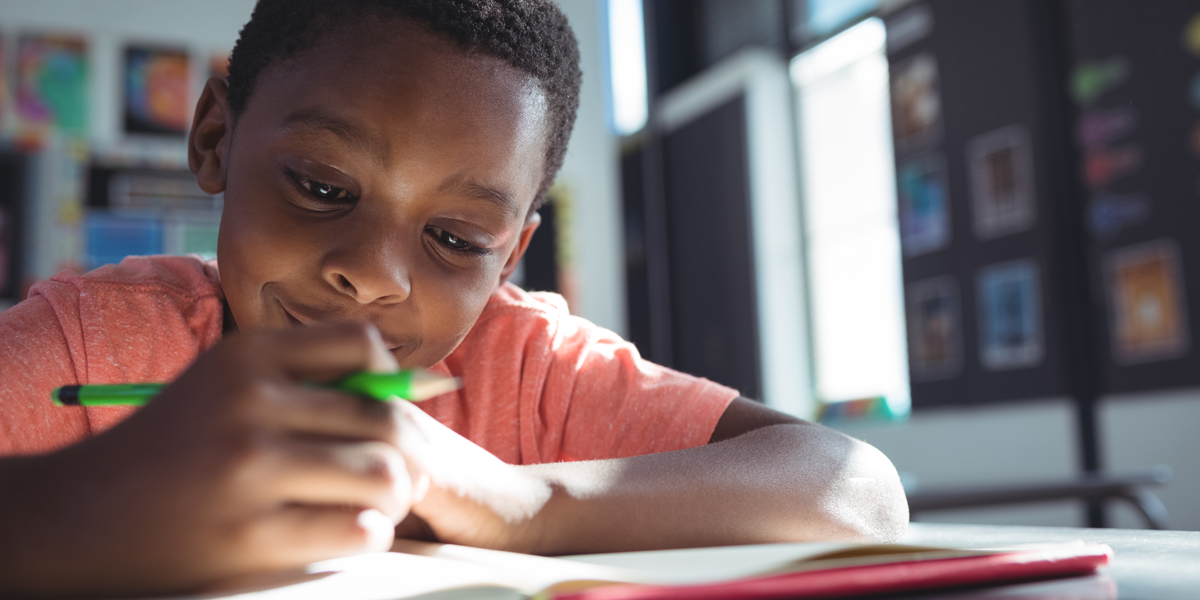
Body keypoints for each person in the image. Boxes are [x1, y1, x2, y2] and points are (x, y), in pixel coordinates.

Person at [0, 0, 908, 596]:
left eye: (454, 241)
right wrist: (86, 504)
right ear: (214, 139)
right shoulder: (97, 344)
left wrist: (528, 504)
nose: (377, 275)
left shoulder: (530, 371)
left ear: (510, 254)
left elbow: (857, 491)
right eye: (321, 185)